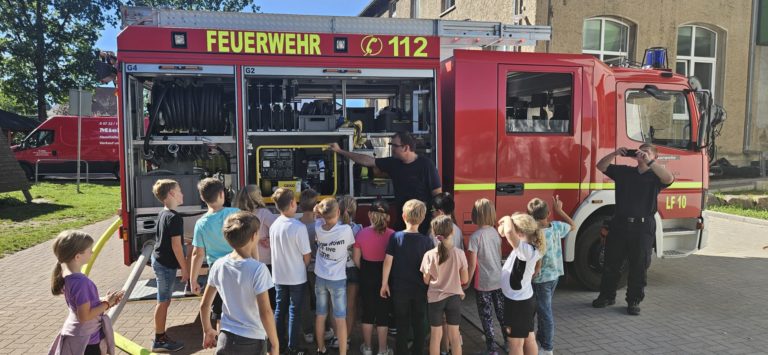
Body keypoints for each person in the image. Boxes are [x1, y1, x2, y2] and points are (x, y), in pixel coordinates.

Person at [593, 144, 674, 315]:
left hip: (643, 227)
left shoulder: (655, 176)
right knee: (611, 263)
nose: (642, 154)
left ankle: (634, 301)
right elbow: (601, 166)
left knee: (639, 266)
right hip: (620, 224)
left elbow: (669, 179)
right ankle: (607, 296)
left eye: (647, 152)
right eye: (640, 151)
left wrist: (650, 162)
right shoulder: (625, 172)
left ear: (654, 157)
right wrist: (614, 153)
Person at [329, 131, 442, 233]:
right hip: (403, 222)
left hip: (423, 223)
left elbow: (437, 195)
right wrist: (340, 151)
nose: (392, 148)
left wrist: (434, 222)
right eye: (391, 145)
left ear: (406, 148)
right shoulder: (394, 163)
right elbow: (367, 161)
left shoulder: (426, 165)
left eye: (394, 146)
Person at [200, 212, 279, 355]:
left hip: (225, 338)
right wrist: (275, 343)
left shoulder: (218, 265)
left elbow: (204, 305)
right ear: (254, 236)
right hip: (252, 340)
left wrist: (207, 330)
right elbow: (266, 312)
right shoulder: (259, 270)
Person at [49, 230, 123, 355]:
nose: (92, 252)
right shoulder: (81, 282)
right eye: (90, 250)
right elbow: (84, 316)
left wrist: (103, 300)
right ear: (78, 257)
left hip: (79, 335)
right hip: (89, 341)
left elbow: (81, 304)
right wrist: (106, 304)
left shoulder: (66, 275)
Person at [381, 199, 434, 355]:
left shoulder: (396, 238)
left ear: (403, 216)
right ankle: (417, 351)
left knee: (401, 323)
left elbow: (387, 262)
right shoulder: (427, 242)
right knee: (419, 323)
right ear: (423, 218)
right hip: (420, 289)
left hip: (399, 289)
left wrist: (384, 284)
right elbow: (429, 269)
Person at [527, 196, 575, 355]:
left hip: (541, 279)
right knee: (542, 310)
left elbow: (537, 258)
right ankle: (541, 341)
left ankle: (547, 348)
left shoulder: (535, 235)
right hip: (555, 276)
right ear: (548, 213)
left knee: (545, 312)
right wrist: (559, 210)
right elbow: (573, 226)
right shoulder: (556, 227)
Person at [270, 188, 312, 354]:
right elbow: (306, 255)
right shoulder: (298, 227)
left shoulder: (274, 225)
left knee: (280, 310)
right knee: (294, 311)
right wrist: (304, 267)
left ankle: (278, 344)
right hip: (296, 276)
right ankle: (293, 346)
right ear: (293, 203)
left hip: (279, 276)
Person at [498, 213, 545, 355]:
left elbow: (507, 232)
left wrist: (507, 218)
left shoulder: (525, 250)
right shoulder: (529, 247)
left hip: (517, 304)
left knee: (515, 344)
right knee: (529, 337)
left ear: (520, 233)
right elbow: (503, 231)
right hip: (524, 301)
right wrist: (509, 222)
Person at [150, 179, 189, 352]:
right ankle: (159, 340)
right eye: (179, 190)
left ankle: (160, 336)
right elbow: (175, 246)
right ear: (172, 194)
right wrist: (185, 269)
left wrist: (187, 240)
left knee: (164, 300)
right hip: (165, 265)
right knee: (163, 301)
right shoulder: (174, 218)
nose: (182, 194)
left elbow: (171, 239)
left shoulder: (164, 213)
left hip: (159, 260)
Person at [313, 198, 356, 355]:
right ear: (338, 212)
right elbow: (350, 246)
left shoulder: (318, 227)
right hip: (337, 280)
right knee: (340, 318)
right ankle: (343, 352)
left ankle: (321, 348)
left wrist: (318, 212)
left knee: (320, 314)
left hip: (320, 278)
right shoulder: (346, 231)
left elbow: (316, 217)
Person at [420, 215, 468, 355]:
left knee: (435, 336)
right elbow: (464, 279)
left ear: (434, 234)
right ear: (452, 231)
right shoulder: (459, 254)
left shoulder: (429, 255)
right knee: (454, 336)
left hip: (435, 299)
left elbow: (426, 280)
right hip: (454, 298)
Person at [353, 199, 395, 355]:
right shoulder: (393, 235)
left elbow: (356, 259)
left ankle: (368, 347)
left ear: (370, 214)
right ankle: (383, 349)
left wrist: (365, 270)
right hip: (386, 277)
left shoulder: (361, 233)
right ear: (387, 217)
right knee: (383, 314)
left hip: (367, 275)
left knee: (368, 313)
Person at [466, 198, 505, 355]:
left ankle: (492, 349)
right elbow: (499, 256)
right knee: (502, 315)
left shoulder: (475, 237)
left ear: (475, 215)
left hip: (482, 284)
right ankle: (509, 343)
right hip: (498, 280)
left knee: (486, 316)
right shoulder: (495, 233)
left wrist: (466, 282)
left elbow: (472, 264)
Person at [232, 185, 278, 308]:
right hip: (265, 262)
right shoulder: (264, 213)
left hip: (244, 260)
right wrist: (269, 239)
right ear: (257, 197)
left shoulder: (236, 214)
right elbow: (277, 230)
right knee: (269, 297)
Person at [297, 189, 332, 344]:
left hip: (300, 268)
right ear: (315, 206)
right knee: (321, 300)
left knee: (304, 300)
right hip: (318, 269)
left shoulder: (296, 225)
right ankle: (325, 329)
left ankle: (308, 331)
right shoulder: (321, 225)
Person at [336, 195, 361, 350]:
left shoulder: (332, 227)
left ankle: (338, 339)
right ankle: (348, 338)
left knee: (337, 307)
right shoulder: (358, 228)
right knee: (351, 306)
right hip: (353, 269)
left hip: (336, 270)